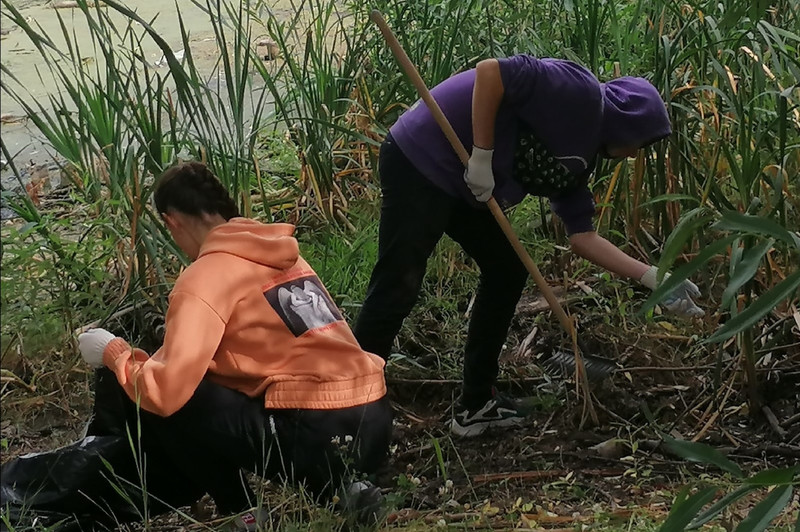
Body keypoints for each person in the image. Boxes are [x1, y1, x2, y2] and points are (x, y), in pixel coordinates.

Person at [1, 162, 392, 531]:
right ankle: (345, 487)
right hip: (373, 418)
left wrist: (113, 352)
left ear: (172, 222)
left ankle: (243, 513)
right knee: (192, 382)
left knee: (160, 395)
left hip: (314, 431)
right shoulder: (284, 255)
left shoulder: (205, 277)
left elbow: (167, 392)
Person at [353, 54, 704, 438]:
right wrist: (482, 156)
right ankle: (349, 413)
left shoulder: (579, 162)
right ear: (628, 121)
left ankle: (475, 406)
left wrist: (654, 278)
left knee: (507, 269)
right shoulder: (578, 91)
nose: (636, 153)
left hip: (465, 187)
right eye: (641, 142)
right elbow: (492, 73)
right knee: (399, 283)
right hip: (421, 155)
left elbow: (582, 237)